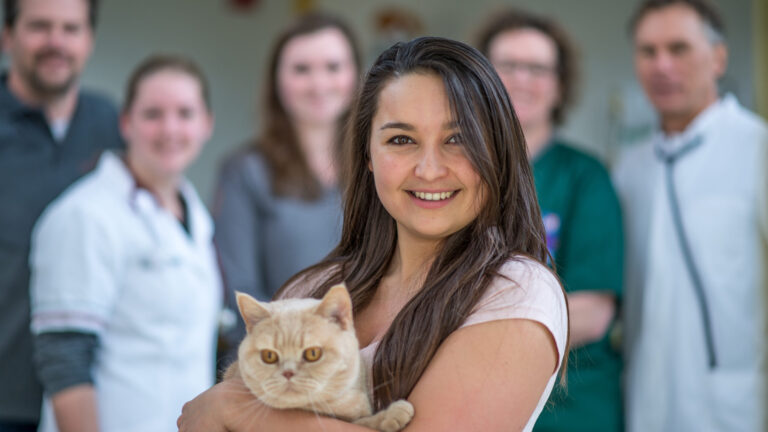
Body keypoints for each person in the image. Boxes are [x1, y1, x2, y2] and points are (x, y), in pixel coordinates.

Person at [177, 36, 569, 432]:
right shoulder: (309, 290)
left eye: (458, 139)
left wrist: (234, 411)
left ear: (498, 150)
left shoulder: (515, 292)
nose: (429, 169)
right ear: (367, 154)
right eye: (401, 140)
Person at [29, 55, 222, 432]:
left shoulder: (195, 214)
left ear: (206, 125)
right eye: (152, 114)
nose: (170, 129)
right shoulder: (85, 215)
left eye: (185, 113)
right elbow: (64, 359)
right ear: (126, 123)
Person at [614, 0, 768, 430]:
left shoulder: (757, 149)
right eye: (648, 51)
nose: (661, 65)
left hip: (737, 406)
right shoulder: (628, 167)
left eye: (678, 48)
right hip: (645, 401)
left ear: (718, 58)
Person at [477, 9, 623, 432]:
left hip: (570, 411)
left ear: (560, 86)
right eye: (507, 65)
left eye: (538, 68)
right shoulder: (452, 173)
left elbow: (593, 314)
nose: (521, 79)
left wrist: (472, 343)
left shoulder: (586, 177)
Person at [0, 0, 122, 430]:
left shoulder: (112, 124)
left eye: (71, 28)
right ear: (7, 36)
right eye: (39, 26)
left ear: (89, 40)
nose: (56, 41)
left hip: (93, 395)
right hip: (7, 400)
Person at [213, 12, 360, 362]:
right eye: (301, 69)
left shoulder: (380, 166)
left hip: (374, 359)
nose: (318, 83)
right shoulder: (244, 171)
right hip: (286, 369)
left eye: (333, 67)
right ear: (276, 80)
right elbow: (241, 295)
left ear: (355, 75)